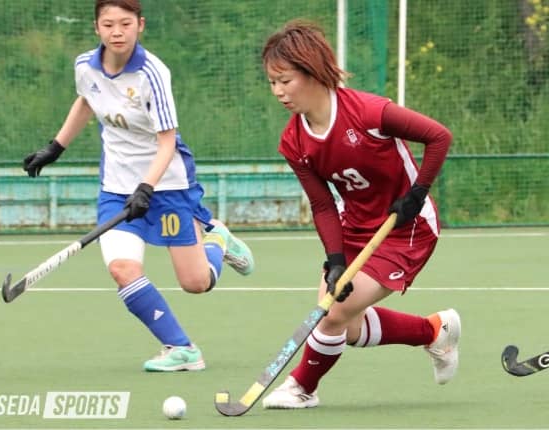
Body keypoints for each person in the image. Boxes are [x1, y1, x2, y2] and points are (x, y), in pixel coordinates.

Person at [22, 0, 254, 372]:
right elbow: (86, 101)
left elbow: (167, 141)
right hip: (116, 186)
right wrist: (55, 147)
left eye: (125, 23)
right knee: (122, 269)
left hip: (167, 185)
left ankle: (218, 240)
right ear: (96, 27)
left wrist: (146, 186)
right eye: (108, 24)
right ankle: (181, 348)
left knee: (195, 283)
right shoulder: (85, 65)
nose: (117, 32)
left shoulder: (152, 73)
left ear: (140, 25)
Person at [260, 20, 460, 409]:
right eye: (272, 82)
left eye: (285, 80)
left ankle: (302, 387)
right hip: (354, 228)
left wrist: (417, 193)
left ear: (312, 72)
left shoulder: (368, 112)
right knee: (345, 324)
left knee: (331, 314)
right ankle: (435, 331)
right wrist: (335, 260)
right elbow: (322, 204)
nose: (278, 92)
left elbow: (439, 137)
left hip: (407, 227)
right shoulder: (294, 141)